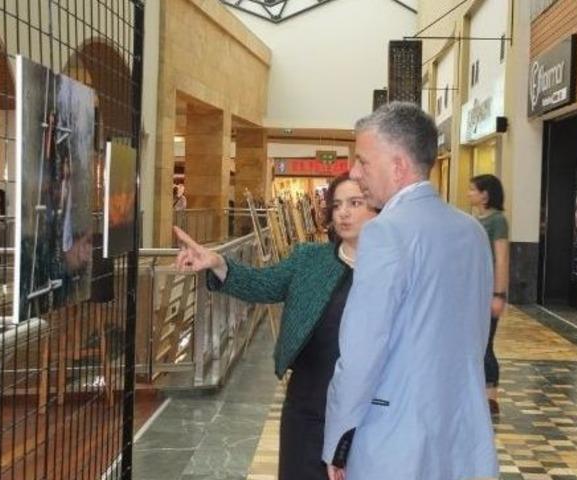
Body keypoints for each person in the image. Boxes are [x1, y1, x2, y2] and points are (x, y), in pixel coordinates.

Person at [323, 102, 498, 480]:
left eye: (363, 161)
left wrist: (337, 441)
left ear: (398, 165)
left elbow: (362, 353)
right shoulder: (471, 232)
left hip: (395, 440)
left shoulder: (385, 232)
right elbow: (476, 336)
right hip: (457, 434)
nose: (354, 172)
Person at [174, 174, 378, 480]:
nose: (343, 213)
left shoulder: (394, 269)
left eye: (355, 203)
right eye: (337, 205)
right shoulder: (310, 259)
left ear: (377, 209)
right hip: (308, 404)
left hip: (366, 412)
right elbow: (263, 283)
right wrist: (218, 263)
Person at [468, 174, 509, 415]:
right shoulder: (474, 220)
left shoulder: (497, 221)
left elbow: (502, 258)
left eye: (473, 190)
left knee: (486, 343)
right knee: (475, 342)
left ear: (485, 195)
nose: (469, 194)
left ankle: (491, 397)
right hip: (474, 290)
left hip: (488, 291)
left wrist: (499, 294)